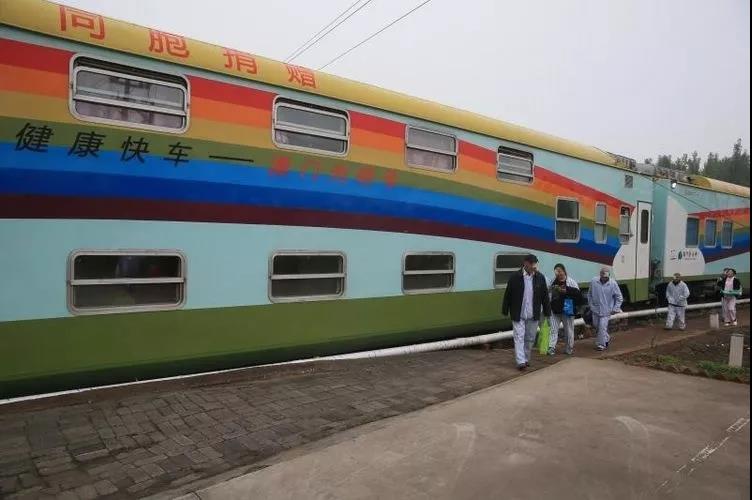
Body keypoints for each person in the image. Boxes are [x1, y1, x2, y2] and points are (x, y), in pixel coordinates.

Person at [502, 254, 551, 370]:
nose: (533, 266)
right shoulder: (515, 277)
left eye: (535, 264)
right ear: (525, 263)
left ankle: (526, 358)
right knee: (519, 337)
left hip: (533, 313)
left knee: (530, 338)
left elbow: (544, 296)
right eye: (531, 264)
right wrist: (505, 310)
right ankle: (520, 361)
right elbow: (508, 294)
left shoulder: (540, 278)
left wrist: (547, 312)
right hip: (518, 312)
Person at [548, 264, 583, 355]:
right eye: (556, 272)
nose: (558, 273)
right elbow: (549, 294)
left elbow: (578, 296)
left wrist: (566, 291)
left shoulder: (571, 282)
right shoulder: (552, 281)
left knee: (568, 330)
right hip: (555, 307)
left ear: (564, 271)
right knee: (553, 328)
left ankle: (569, 348)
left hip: (568, 305)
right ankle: (551, 347)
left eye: (559, 271)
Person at [587, 267, 623, 351]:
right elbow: (589, 294)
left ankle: (601, 345)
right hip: (595, 310)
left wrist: (615, 308)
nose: (604, 279)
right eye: (603, 277)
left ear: (609, 276)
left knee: (602, 327)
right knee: (597, 325)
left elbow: (619, 297)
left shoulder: (613, 283)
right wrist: (591, 305)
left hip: (607, 310)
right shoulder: (594, 281)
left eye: (606, 277)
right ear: (600, 275)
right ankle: (606, 338)